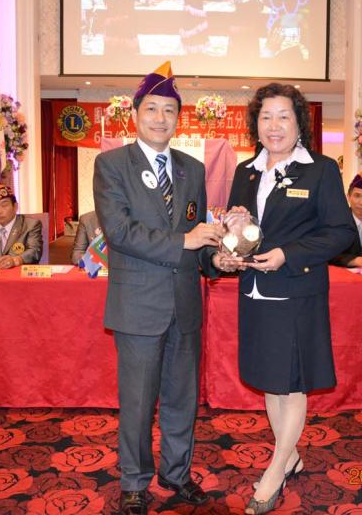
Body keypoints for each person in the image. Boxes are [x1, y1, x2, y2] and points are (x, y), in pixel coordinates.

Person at [92, 61, 224, 515]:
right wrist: (186, 241)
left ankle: (177, 473)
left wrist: (216, 259)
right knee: (138, 401)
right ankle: (134, 481)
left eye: (169, 110)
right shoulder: (112, 165)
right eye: (151, 109)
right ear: (135, 114)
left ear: (178, 118)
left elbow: (198, 237)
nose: (160, 118)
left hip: (185, 304)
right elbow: (119, 232)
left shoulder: (192, 169)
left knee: (182, 400)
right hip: (137, 307)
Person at [225, 83, 355, 514]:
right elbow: (241, 232)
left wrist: (288, 254)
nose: (274, 125)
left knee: (293, 381)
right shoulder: (245, 171)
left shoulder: (320, 170)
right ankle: (291, 455)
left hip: (297, 289)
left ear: (300, 123)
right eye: (266, 116)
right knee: (271, 378)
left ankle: (275, 470)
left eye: (283, 116)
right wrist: (234, 231)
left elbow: (341, 233)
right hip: (255, 289)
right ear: (256, 124)